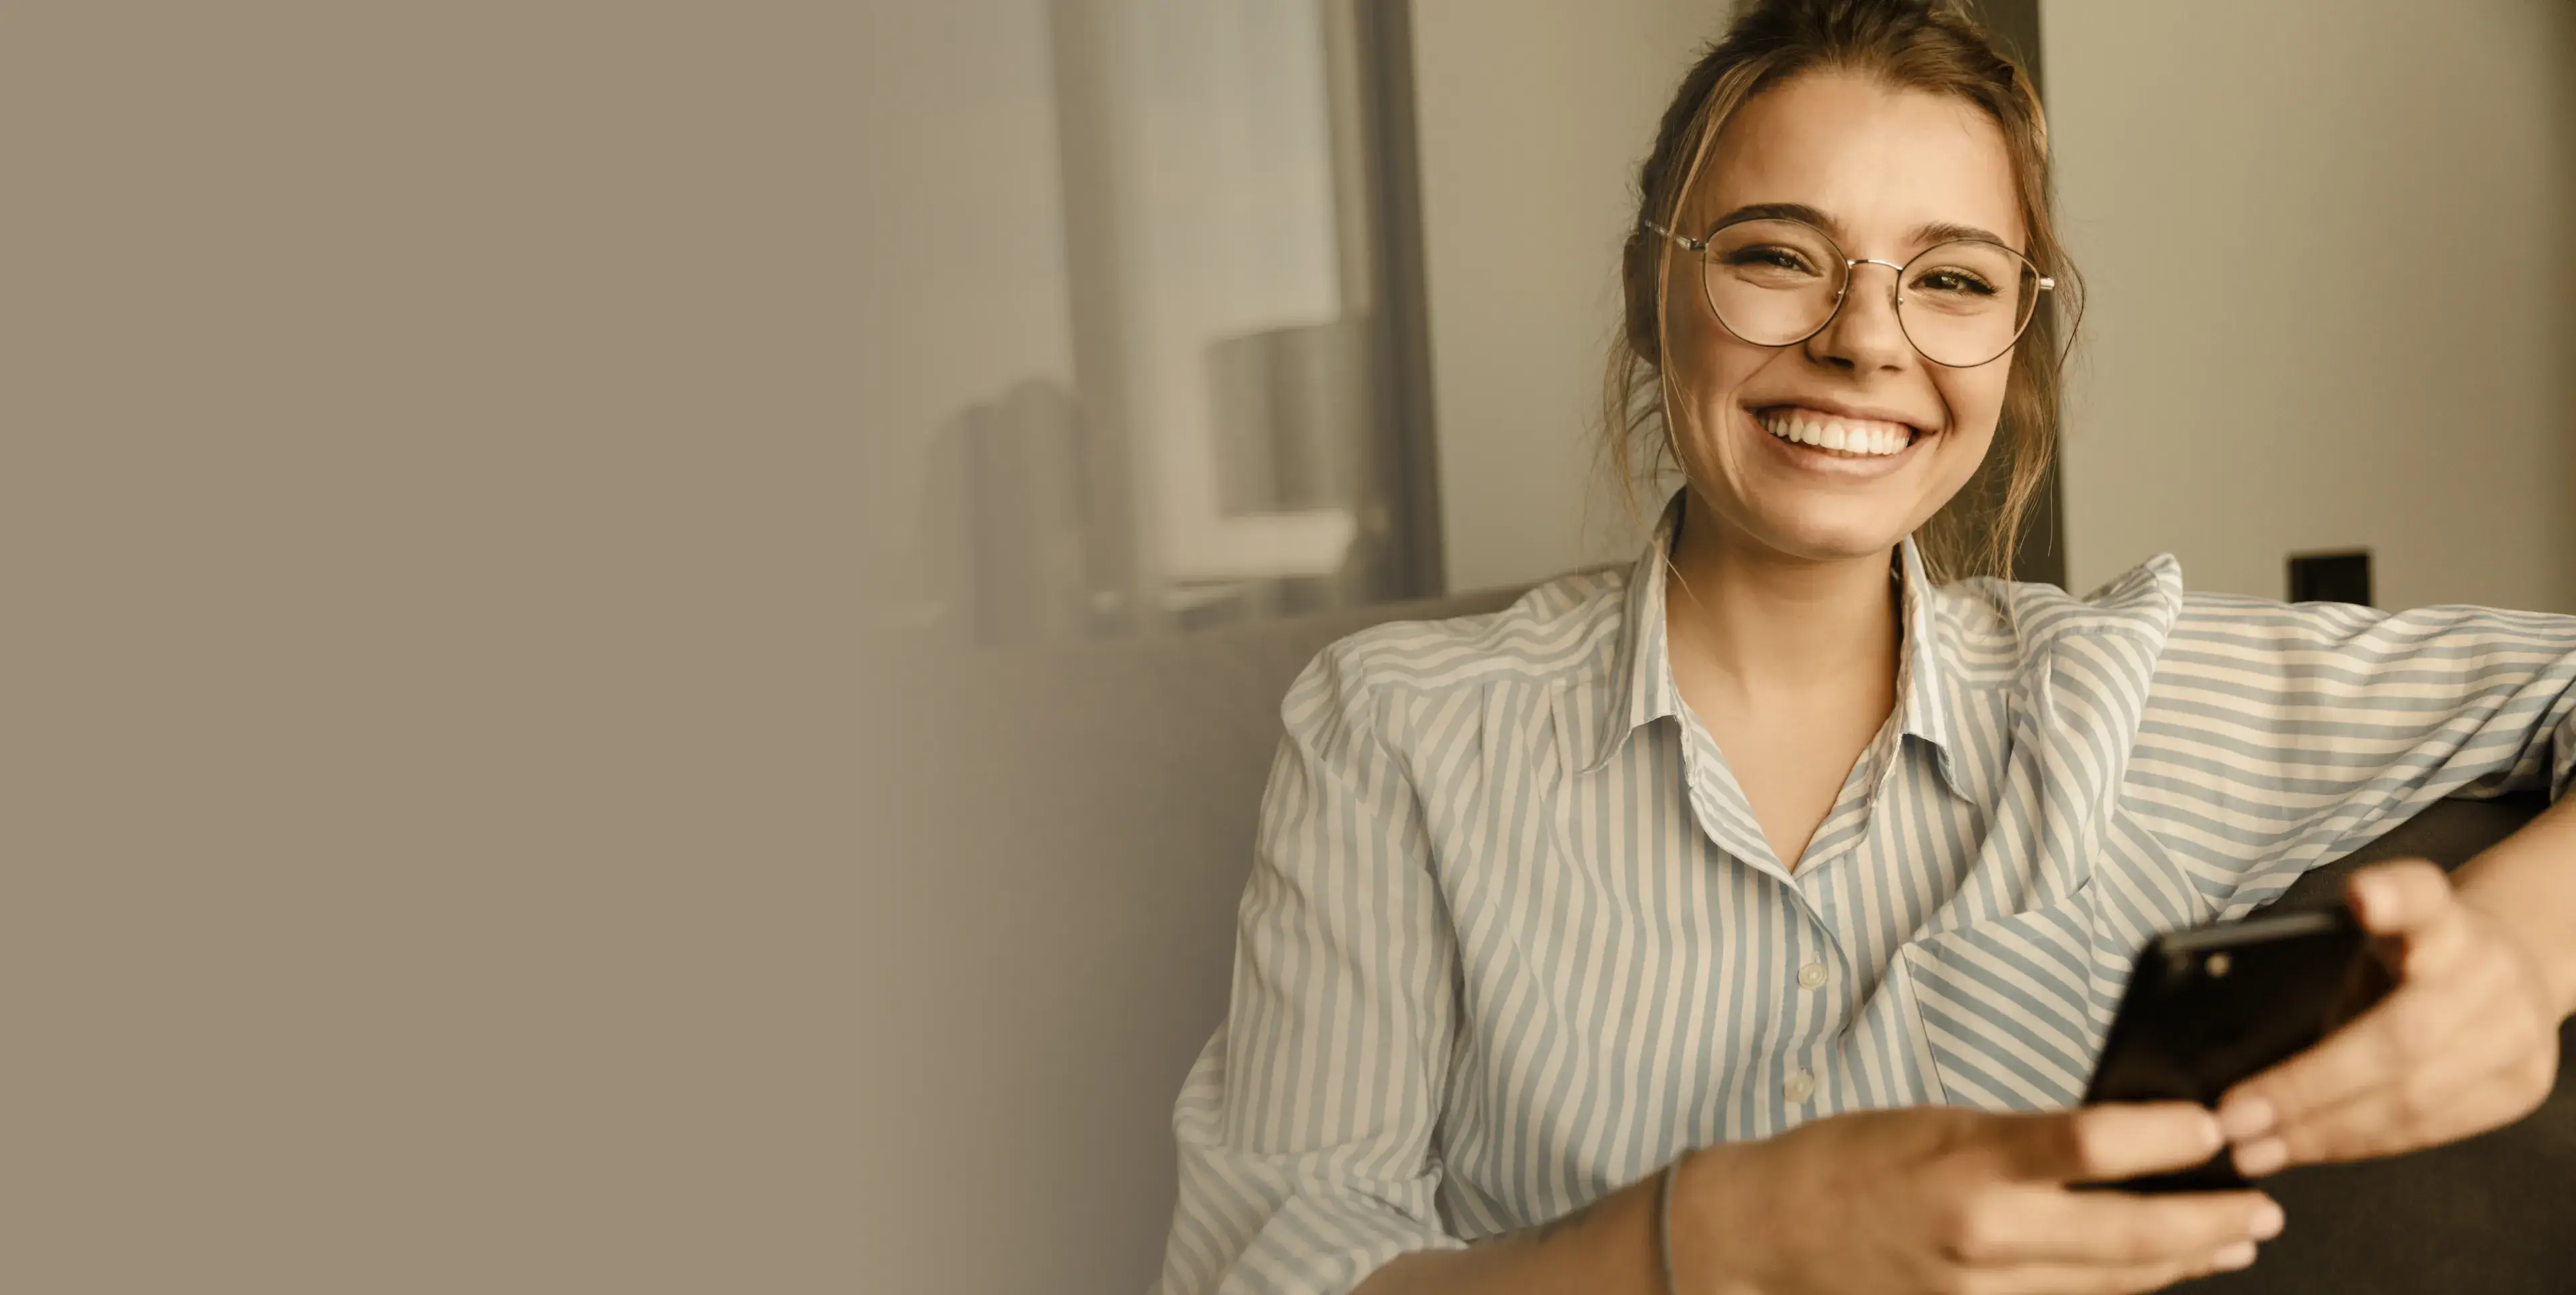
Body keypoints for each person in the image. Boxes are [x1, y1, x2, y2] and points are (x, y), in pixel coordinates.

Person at [1152, 2, 2576, 1292]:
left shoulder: (2119, 696)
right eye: (1778, 255)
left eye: (1951, 280)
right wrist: (1712, 1233)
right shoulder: (1394, 728)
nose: (1862, 340)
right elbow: (1264, 1274)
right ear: (1656, 298)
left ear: (2014, 341)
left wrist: (2515, 949)